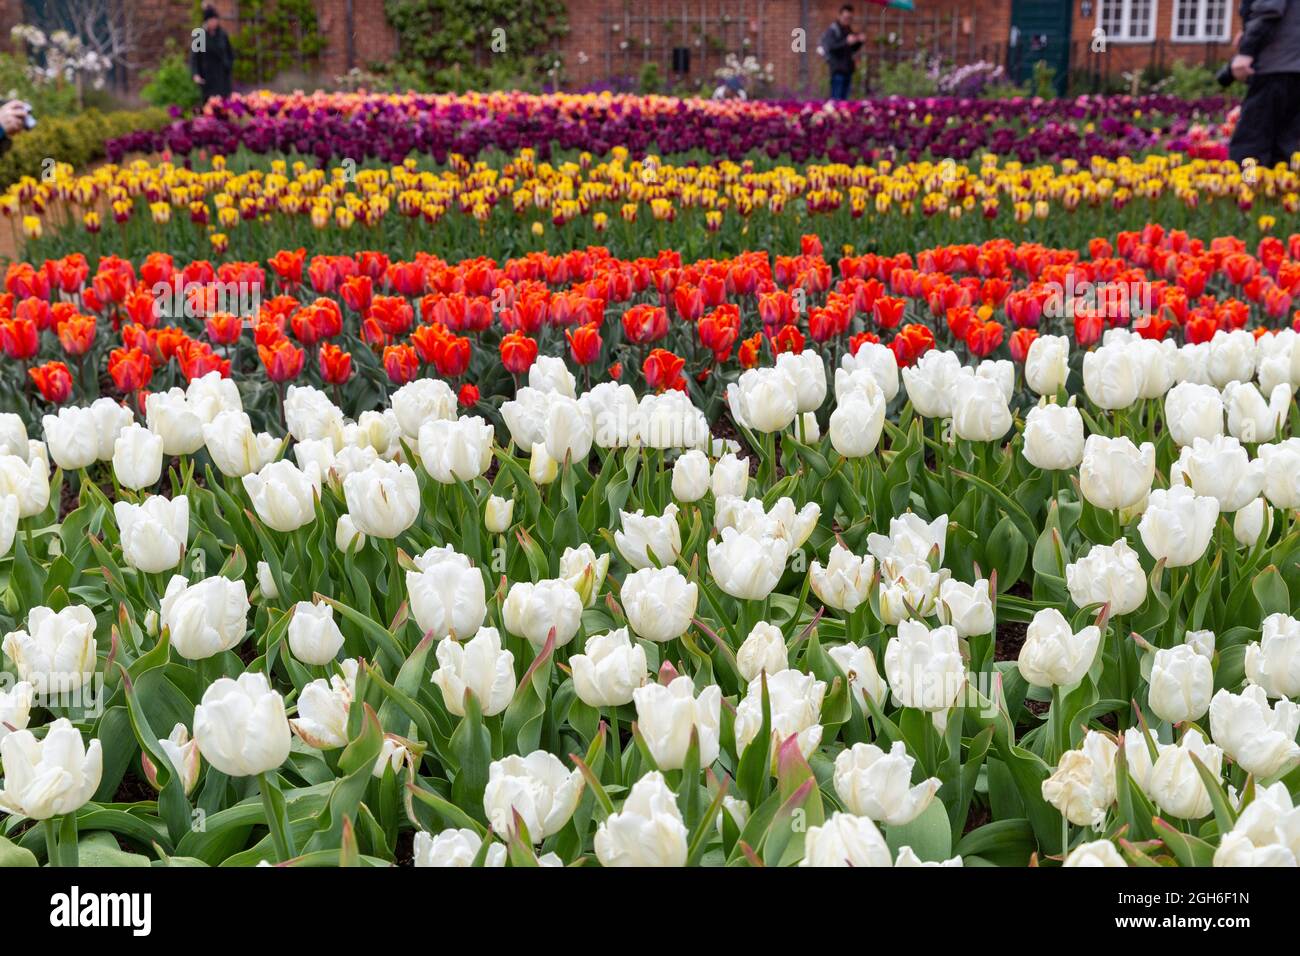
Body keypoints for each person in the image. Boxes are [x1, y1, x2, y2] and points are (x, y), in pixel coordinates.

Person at [1228, 0, 1300, 167]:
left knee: (1250, 147)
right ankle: (1275, 190)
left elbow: (1269, 11)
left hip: (1274, 68)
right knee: (1284, 147)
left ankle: (1248, 188)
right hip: (1293, 68)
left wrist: (1246, 52)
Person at [820, 5, 865, 100]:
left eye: (850, 18)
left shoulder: (848, 29)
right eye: (846, 18)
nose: (848, 20)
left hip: (847, 70)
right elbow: (831, 47)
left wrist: (859, 41)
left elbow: (852, 49)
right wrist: (846, 42)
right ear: (839, 15)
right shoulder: (833, 30)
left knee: (845, 101)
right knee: (836, 100)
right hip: (837, 70)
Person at [191, 6, 235, 104]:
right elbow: (194, 58)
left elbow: (230, 53)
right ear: (206, 21)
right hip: (207, 76)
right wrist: (195, 74)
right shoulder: (200, 35)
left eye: (216, 20)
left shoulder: (222, 34)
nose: (214, 22)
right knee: (209, 106)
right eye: (211, 20)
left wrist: (228, 65)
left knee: (224, 103)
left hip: (222, 76)